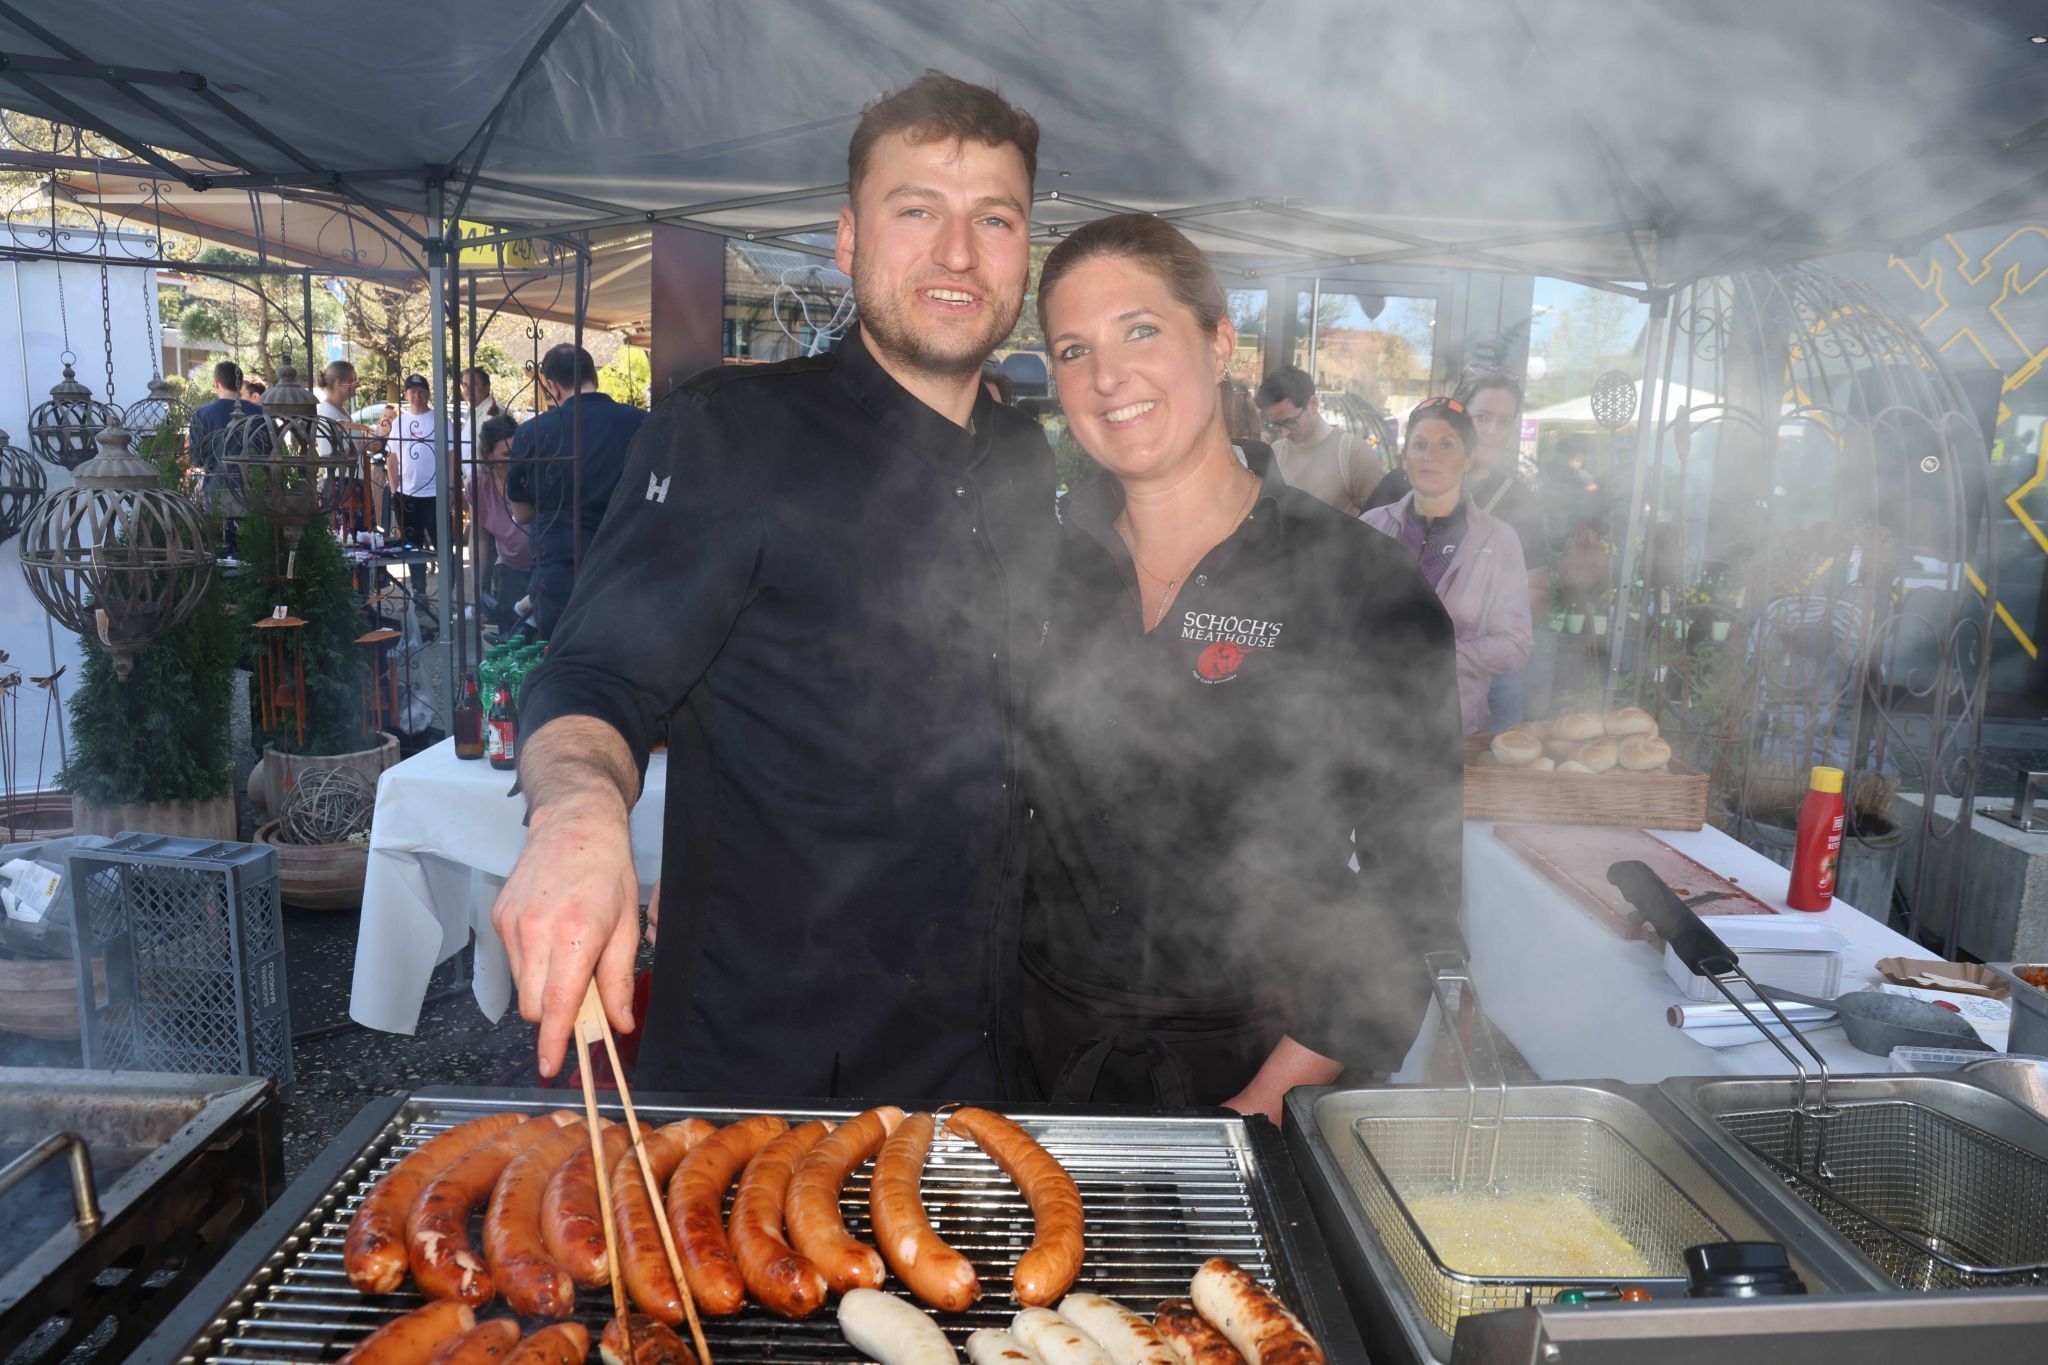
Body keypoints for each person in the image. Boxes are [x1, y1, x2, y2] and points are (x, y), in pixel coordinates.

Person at [497, 71, 1056, 1100]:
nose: (957, 253)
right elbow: (595, 675)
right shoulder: (730, 434)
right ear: (847, 239)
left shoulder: (1030, 460)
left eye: (994, 219)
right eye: (916, 211)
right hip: (776, 1087)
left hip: (991, 1074)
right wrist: (577, 815)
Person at [1017, 214, 1462, 1122]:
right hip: (1032, 1069)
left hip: (1259, 1073)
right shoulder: (1034, 569)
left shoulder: (1358, 583)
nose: (1107, 378)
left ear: (1220, 342)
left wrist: (1265, 1106)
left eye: (1140, 330)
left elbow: (1410, 893)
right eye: (1072, 349)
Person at [1362, 397, 1533, 733]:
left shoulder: (1498, 541)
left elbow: (1516, 644)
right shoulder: (1369, 527)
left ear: (1467, 459)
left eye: (1446, 445)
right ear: (1404, 459)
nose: (1431, 457)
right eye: (1420, 445)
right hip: (1369, 718)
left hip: (1452, 726)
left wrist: (1447, 655)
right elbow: (1336, 617)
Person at [502, 344, 646, 638]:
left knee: (559, 663)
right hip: (622, 562)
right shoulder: (638, 422)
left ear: (552, 386)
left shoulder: (532, 432)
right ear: (596, 377)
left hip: (559, 566)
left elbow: (521, 512)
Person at [1254, 365, 1385, 517]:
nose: (1283, 432)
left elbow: (1380, 523)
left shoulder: (1355, 454)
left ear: (1313, 404)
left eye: (1290, 422)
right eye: (1276, 424)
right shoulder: (1276, 451)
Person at [187, 359, 263, 557]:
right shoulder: (259, 413)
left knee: (219, 555)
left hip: (216, 492)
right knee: (252, 554)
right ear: (241, 384)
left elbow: (196, 460)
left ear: (216, 384)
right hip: (255, 493)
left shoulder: (202, 414)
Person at [468, 412, 533, 635]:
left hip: (544, 568)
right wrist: (476, 591)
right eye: (507, 454)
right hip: (510, 570)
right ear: (487, 455)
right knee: (511, 637)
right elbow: (480, 539)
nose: (516, 457)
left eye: (518, 450)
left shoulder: (534, 473)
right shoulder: (477, 485)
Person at [379, 374, 439, 593]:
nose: (417, 395)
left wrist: (450, 489)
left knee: (442, 545)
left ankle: (450, 592)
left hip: (435, 495)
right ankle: (419, 591)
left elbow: (451, 455)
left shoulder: (439, 419)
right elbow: (392, 458)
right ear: (405, 394)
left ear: (428, 393)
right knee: (413, 549)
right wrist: (395, 491)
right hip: (407, 495)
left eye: (421, 390)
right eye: (412, 391)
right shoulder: (400, 423)